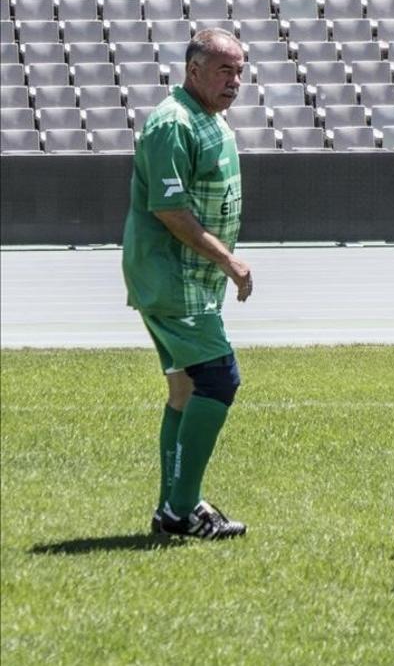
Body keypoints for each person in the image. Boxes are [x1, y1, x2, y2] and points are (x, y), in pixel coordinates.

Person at [122, 28, 250, 539]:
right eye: (225, 70)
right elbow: (171, 210)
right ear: (193, 70)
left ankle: (172, 510)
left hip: (187, 279)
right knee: (220, 380)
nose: (235, 81)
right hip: (173, 277)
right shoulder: (172, 123)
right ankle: (182, 509)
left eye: (240, 71)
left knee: (185, 389)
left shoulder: (205, 117)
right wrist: (230, 262)